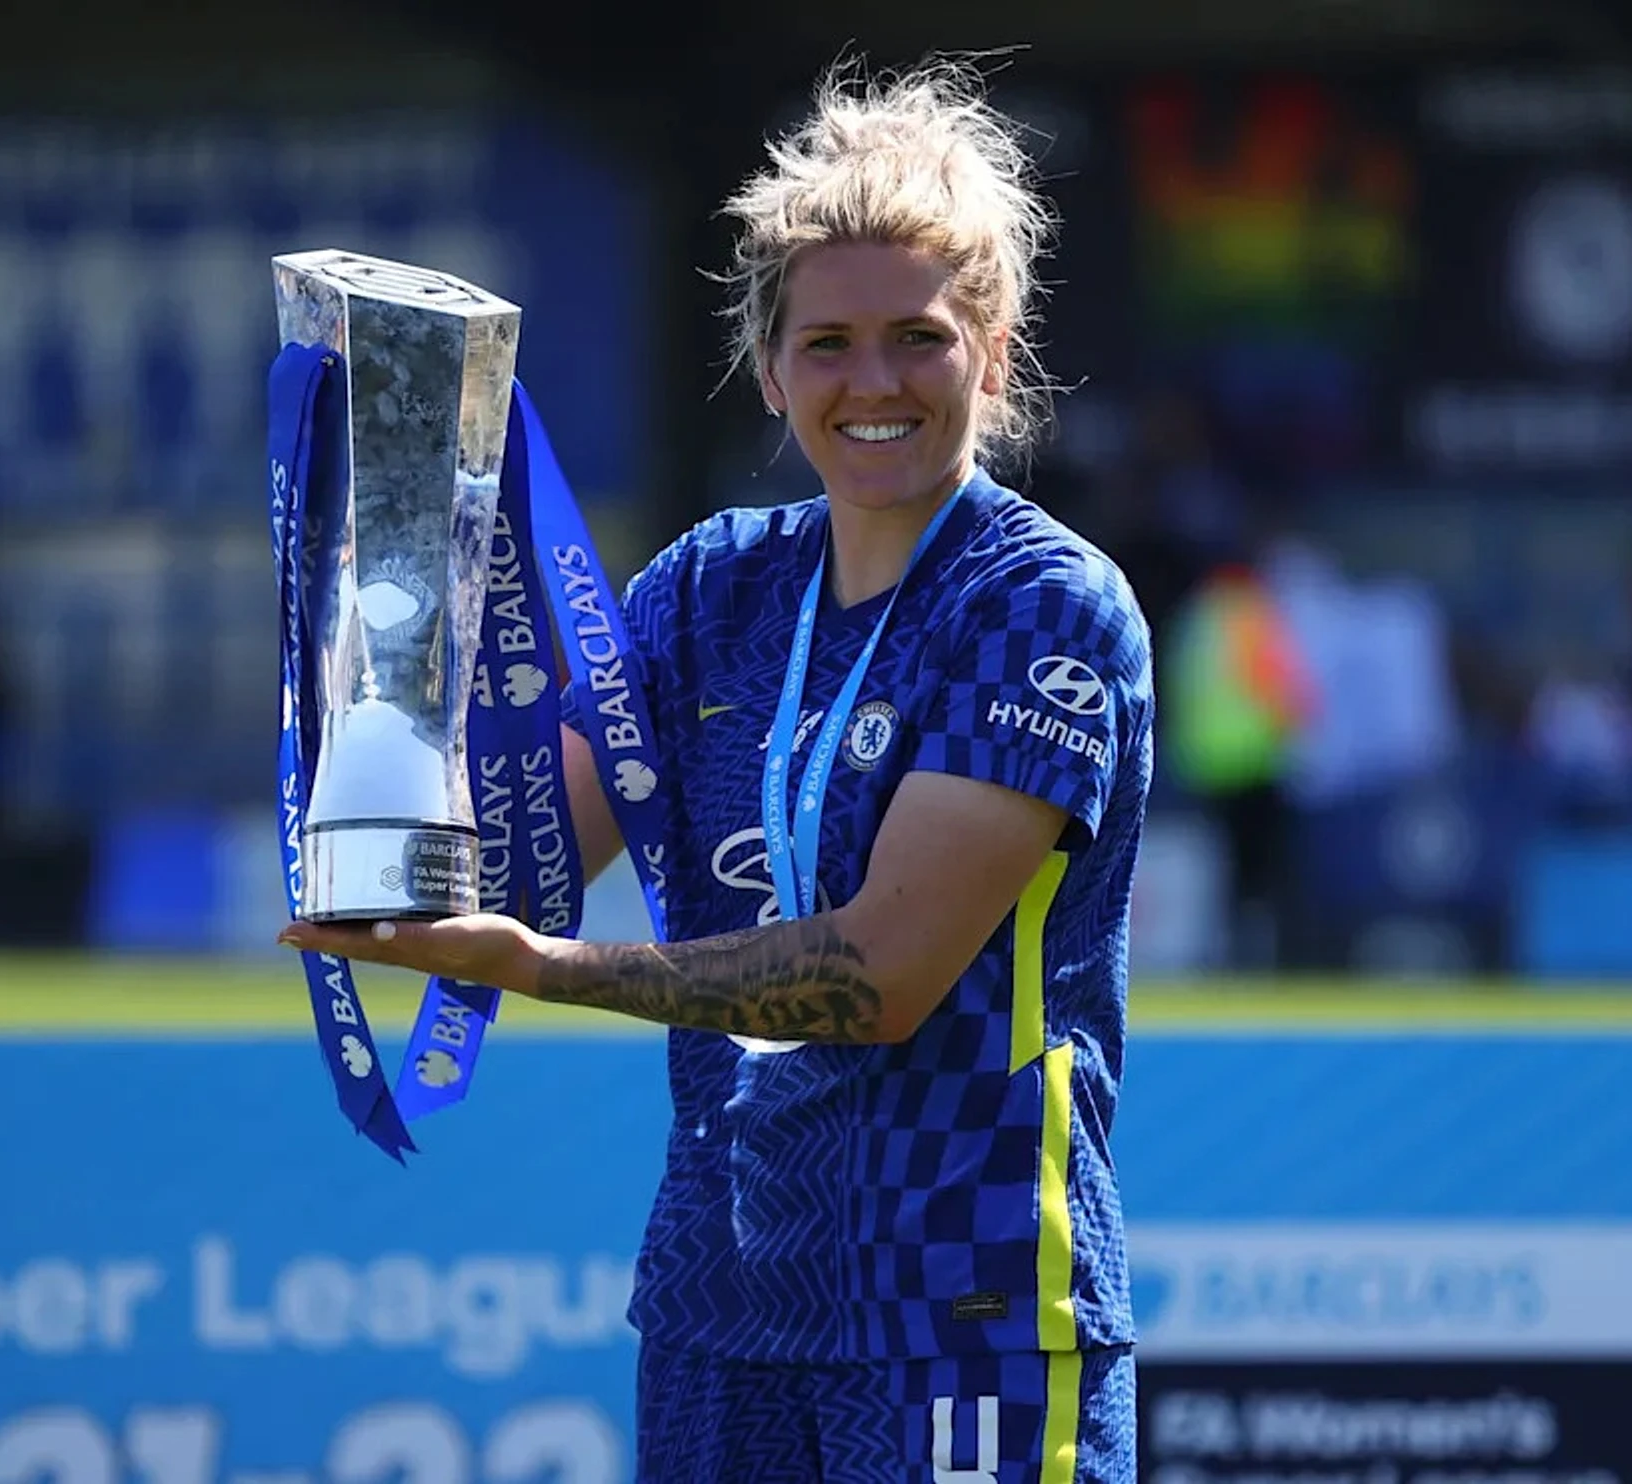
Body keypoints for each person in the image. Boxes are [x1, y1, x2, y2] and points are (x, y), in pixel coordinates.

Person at [281, 56, 1155, 1483]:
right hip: (720, 1313)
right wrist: (385, 674)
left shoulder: (1040, 607)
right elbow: (515, 857)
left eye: (919, 339)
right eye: (829, 343)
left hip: (967, 1310)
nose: (873, 383)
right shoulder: (709, 589)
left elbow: (878, 979)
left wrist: (553, 970)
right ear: (771, 370)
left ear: (992, 356)